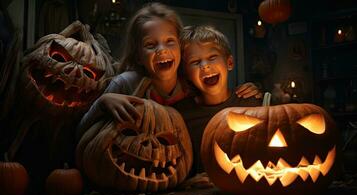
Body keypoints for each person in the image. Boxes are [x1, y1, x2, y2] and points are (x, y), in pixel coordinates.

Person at [77, 2, 260, 138]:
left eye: (169, 41)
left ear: (180, 48)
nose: (162, 50)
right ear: (138, 55)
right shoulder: (125, 84)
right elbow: (82, 133)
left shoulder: (190, 85)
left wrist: (249, 92)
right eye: (151, 44)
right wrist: (103, 102)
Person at [174, 25, 262, 178]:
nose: (205, 65)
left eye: (212, 57)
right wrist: (185, 182)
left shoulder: (250, 103)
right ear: (186, 74)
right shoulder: (180, 116)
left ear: (229, 63)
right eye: (195, 62)